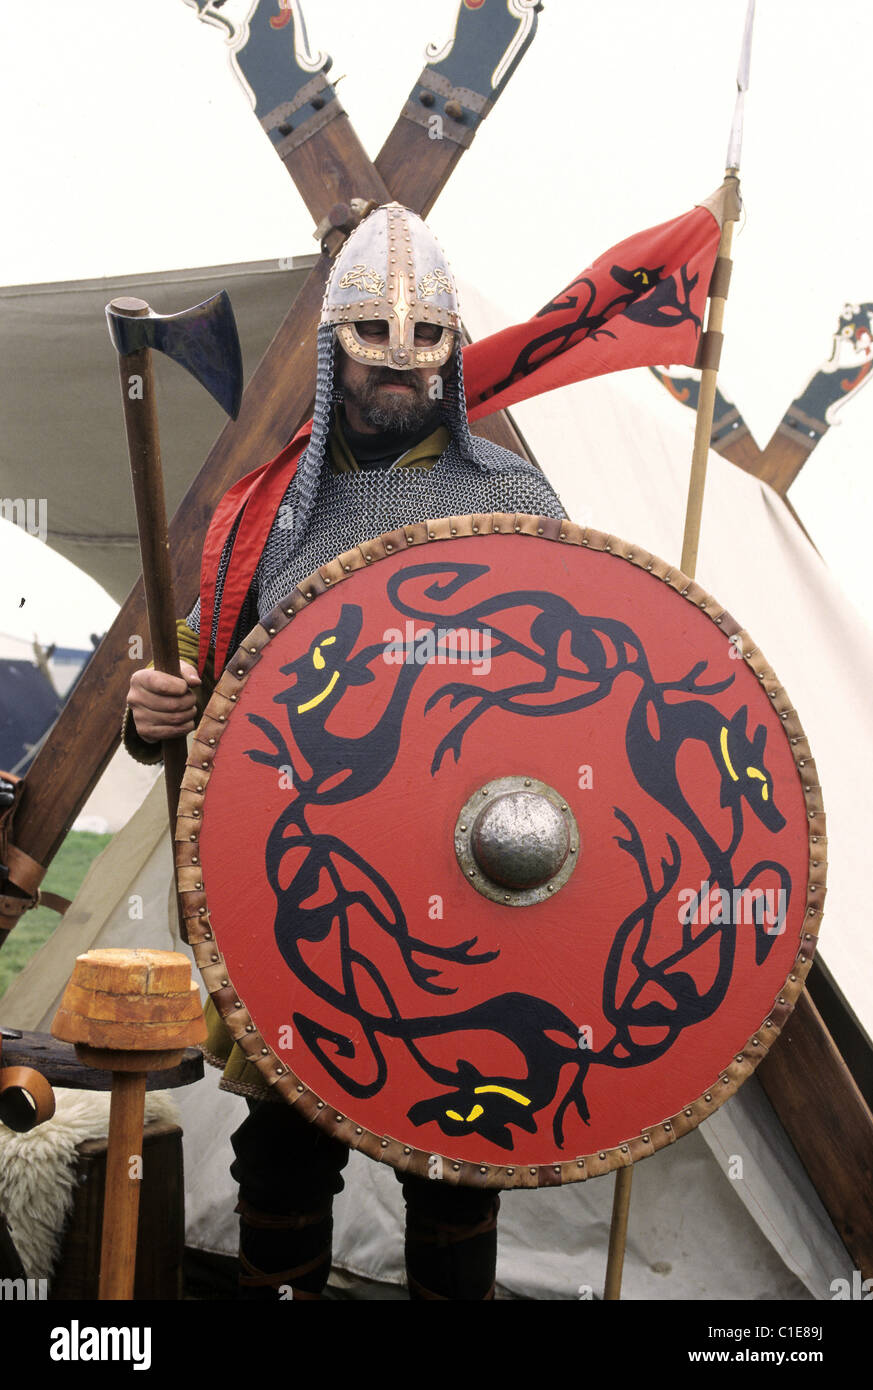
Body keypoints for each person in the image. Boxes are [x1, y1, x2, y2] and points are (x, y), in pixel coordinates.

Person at [124, 202, 565, 1299]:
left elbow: (579, 698)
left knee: (460, 1163)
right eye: (373, 336)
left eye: (425, 341)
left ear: (454, 356)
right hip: (308, 885)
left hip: (468, 882)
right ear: (334, 349)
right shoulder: (263, 515)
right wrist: (151, 713)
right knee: (281, 1153)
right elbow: (201, 685)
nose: (400, 364)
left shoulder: (514, 504)